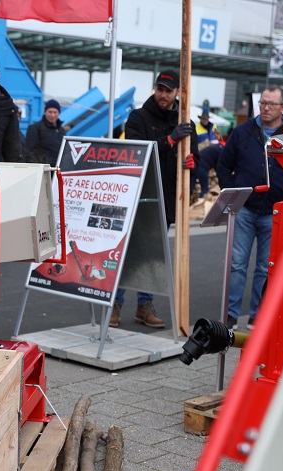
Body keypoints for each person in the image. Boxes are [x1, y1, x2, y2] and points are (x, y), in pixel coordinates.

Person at [111, 70, 198, 329]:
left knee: (152, 255)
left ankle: (144, 306)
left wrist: (192, 164)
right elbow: (138, 154)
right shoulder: (137, 118)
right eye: (159, 89)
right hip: (137, 196)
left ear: (176, 94)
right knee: (126, 253)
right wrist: (170, 140)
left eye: (168, 90)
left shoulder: (185, 121)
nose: (163, 94)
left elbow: (191, 159)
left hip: (166, 199)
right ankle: (115, 304)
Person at [217, 86, 283, 331]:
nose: (266, 108)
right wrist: (233, 193)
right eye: (262, 103)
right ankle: (230, 315)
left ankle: (258, 316)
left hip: (275, 211)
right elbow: (223, 165)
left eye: (271, 104)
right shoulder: (242, 132)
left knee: (264, 267)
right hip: (245, 208)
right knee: (237, 263)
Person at [25, 99, 65, 164]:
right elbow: (29, 151)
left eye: (55, 112)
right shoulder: (35, 128)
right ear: (45, 112)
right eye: (50, 112)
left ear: (59, 113)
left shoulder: (61, 130)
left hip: (57, 168)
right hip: (44, 169)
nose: (52, 115)